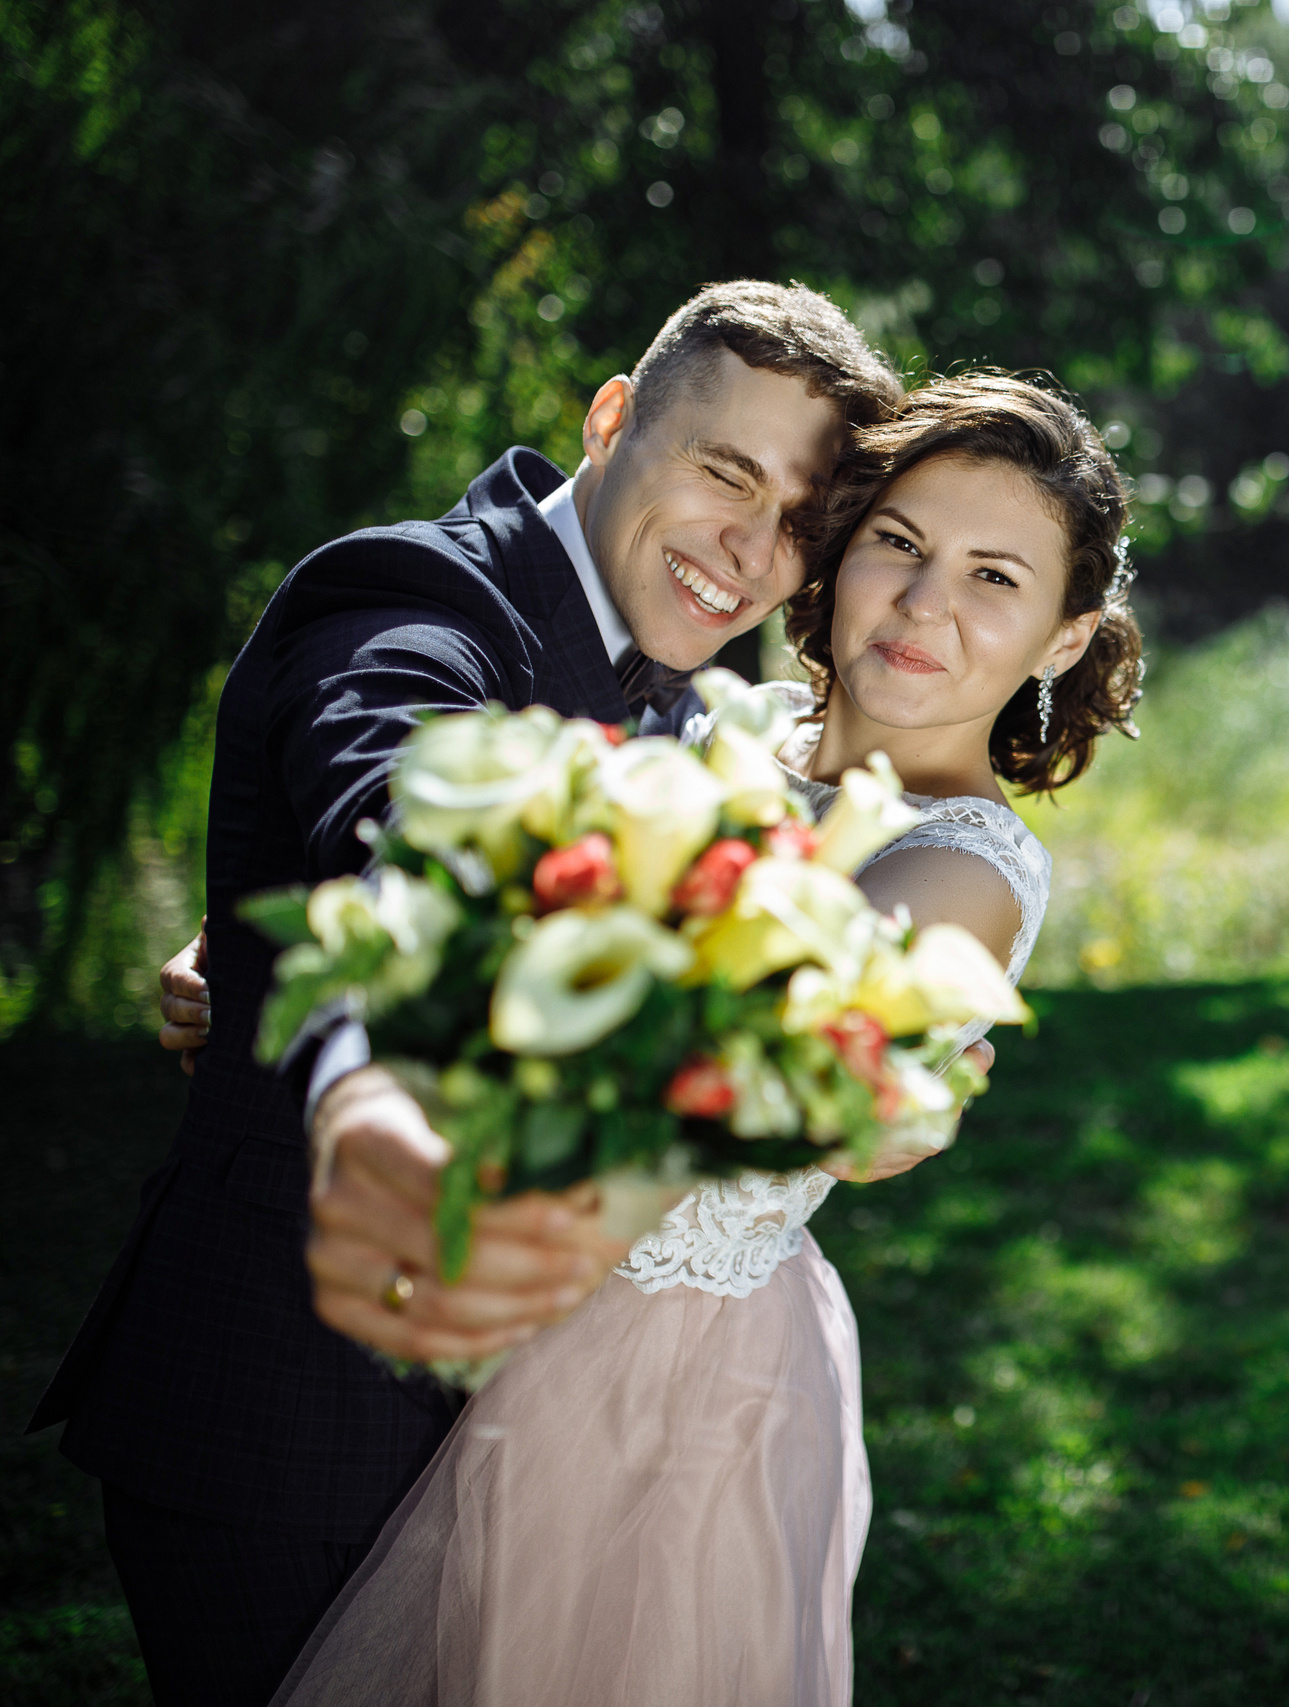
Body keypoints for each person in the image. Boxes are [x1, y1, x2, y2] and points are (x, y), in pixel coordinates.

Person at [31, 281, 902, 1707]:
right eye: (724, 471)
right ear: (613, 416)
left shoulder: (679, 692)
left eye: (801, 522)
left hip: (529, 1441)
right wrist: (372, 1065)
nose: (752, 555)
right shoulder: (415, 597)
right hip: (294, 1414)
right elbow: (407, 809)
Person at [266, 372, 1143, 1704]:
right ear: (843, 549)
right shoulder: (715, 727)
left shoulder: (971, 869)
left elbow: (743, 1060)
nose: (924, 607)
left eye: (994, 580)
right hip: (490, 1336)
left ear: (1065, 641)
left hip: (661, 1406)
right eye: (900, 545)